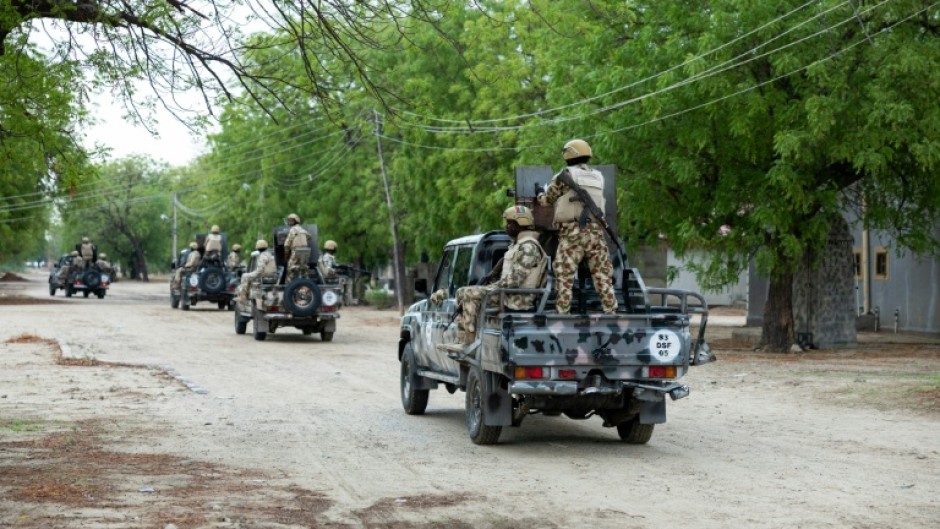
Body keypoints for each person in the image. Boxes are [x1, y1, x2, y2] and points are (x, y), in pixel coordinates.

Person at [433, 205, 547, 351]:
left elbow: (515, 280)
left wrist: (490, 288)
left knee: (469, 294)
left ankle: (469, 341)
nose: (506, 227)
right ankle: (461, 339)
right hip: (509, 294)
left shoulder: (528, 247)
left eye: (510, 223)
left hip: (517, 299)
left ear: (520, 224)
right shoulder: (518, 245)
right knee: (461, 292)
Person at [537, 138, 617, 314]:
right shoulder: (598, 177)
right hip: (596, 232)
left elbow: (548, 200)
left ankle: (562, 314)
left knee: (564, 277)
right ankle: (611, 312)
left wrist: (539, 195)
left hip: (572, 233)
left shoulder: (564, 175)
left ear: (568, 154)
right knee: (603, 276)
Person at [236, 239, 277, 304]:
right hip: (271, 275)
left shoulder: (262, 256)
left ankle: (243, 298)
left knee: (244, 276)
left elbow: (259, 271)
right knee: (247, 276)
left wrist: (250, 274)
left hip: (262, 275)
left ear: (257, 248)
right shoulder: (270, 255)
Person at [283, 213, 311, 282]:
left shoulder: (293, 230)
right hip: (305, 250)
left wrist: (286, 254)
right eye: (289, 221)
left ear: (296, 221)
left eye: (291, 221)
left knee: (290, 268)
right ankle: (308, 285)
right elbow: (310, 236)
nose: (289, 222)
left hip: (296, 251)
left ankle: (289, 286)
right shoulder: (302, 230)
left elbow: (287, 244)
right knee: (304, 269)